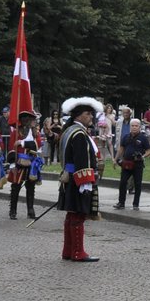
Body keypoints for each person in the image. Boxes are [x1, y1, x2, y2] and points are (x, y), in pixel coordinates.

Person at [57, 96, 104, 262]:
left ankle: (68, 251)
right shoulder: (78, 134)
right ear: (78, 116)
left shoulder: (70, 130)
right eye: (88, 113)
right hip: (78, 180)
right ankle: (78, 252)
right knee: (78, 215)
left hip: (70, 179)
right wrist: (85, 182)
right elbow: (81, 160)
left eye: (91, 114)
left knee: (72, 216)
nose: (91, 117)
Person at [6, 110, 43, 220]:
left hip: (32, 163)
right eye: (32, 120)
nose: (34, 122)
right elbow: (12, 149)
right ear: (26, 121)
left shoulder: (36, 133)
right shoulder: (16, 133)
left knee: (31, 187)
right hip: (19, 163)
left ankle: (30, 210)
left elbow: (37, 145)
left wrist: (23, 143)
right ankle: (13, 211)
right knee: (15, 187)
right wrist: (12, 164)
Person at [116, 118, 150, 210]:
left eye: (136, 126)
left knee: (137, 184)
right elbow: (121, 149)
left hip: (138, 164)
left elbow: (149, 150)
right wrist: (116, 159)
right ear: (130, 127)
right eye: (132, 126)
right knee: (123, 182)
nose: (134, 127)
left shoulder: (143, 138)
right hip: (126, 163)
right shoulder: (126, 137)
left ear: (139, 127)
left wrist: (143, 156)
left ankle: (136, 204)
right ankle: (121, 203)